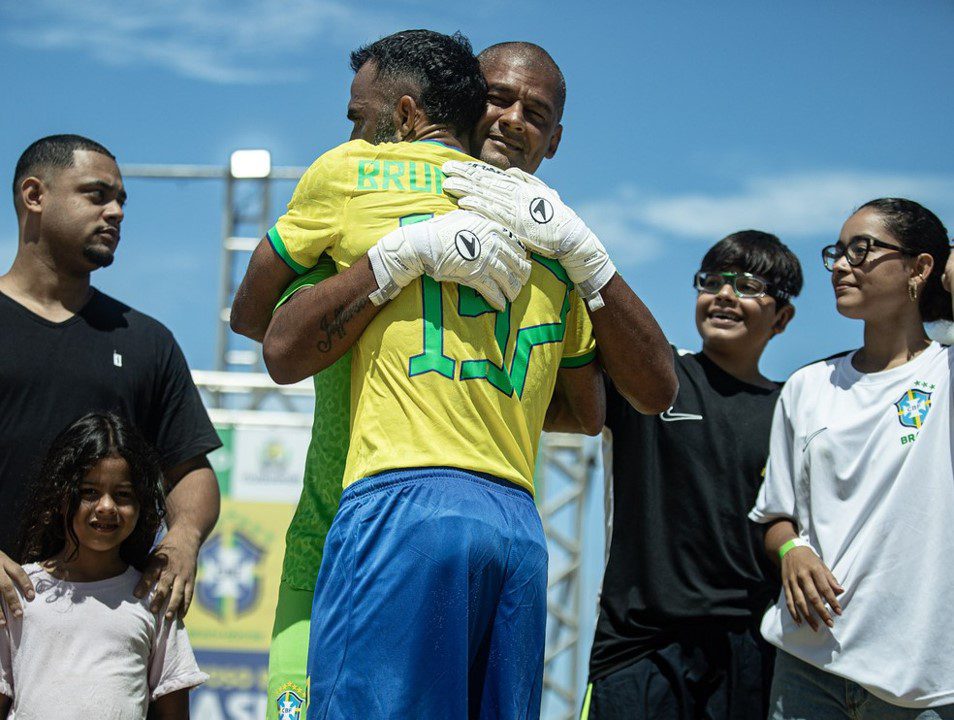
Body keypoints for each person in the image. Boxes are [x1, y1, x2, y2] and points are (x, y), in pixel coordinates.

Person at [230, 37, 675, 718]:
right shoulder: (378, 184)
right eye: (499, 97)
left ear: (555, 138)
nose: (512, 119)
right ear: (465, 101)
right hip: (370, 526)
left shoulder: (547, 236)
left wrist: (586, 255)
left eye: (536, 111)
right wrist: (398, 258)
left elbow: (602, 409)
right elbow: (270, 333)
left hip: (402, 510)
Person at [580, 231, 802, 720]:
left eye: (748, 285)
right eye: (713, 281)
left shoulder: (794, 407)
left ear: (782, 317)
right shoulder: (656, 376)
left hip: (750, 651)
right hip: (638, 647)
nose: (724, 295)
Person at [0, 135, 221, 625]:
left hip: (102, 633)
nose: (117, 211)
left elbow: (189, 469)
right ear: (34, 196)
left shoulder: (147, 340)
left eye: (120, 199)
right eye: (97, 195)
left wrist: (183, 537)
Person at [751, 198, 954, 718]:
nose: (841, 265)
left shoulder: (946, 374)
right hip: (806, 664)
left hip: (921, 680)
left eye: (862, 250)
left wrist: (947, 271)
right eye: (837, 252)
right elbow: (775, 514)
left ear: (920, 267)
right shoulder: (806, 386)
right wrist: (791, 549)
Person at [0, 412, 207, 719]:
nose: (107, 506)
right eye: (89, 492)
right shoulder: (17, 594)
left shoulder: (154, 599)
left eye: (122, 494)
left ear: (142, 505)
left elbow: (174, 710)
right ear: (60, 495)